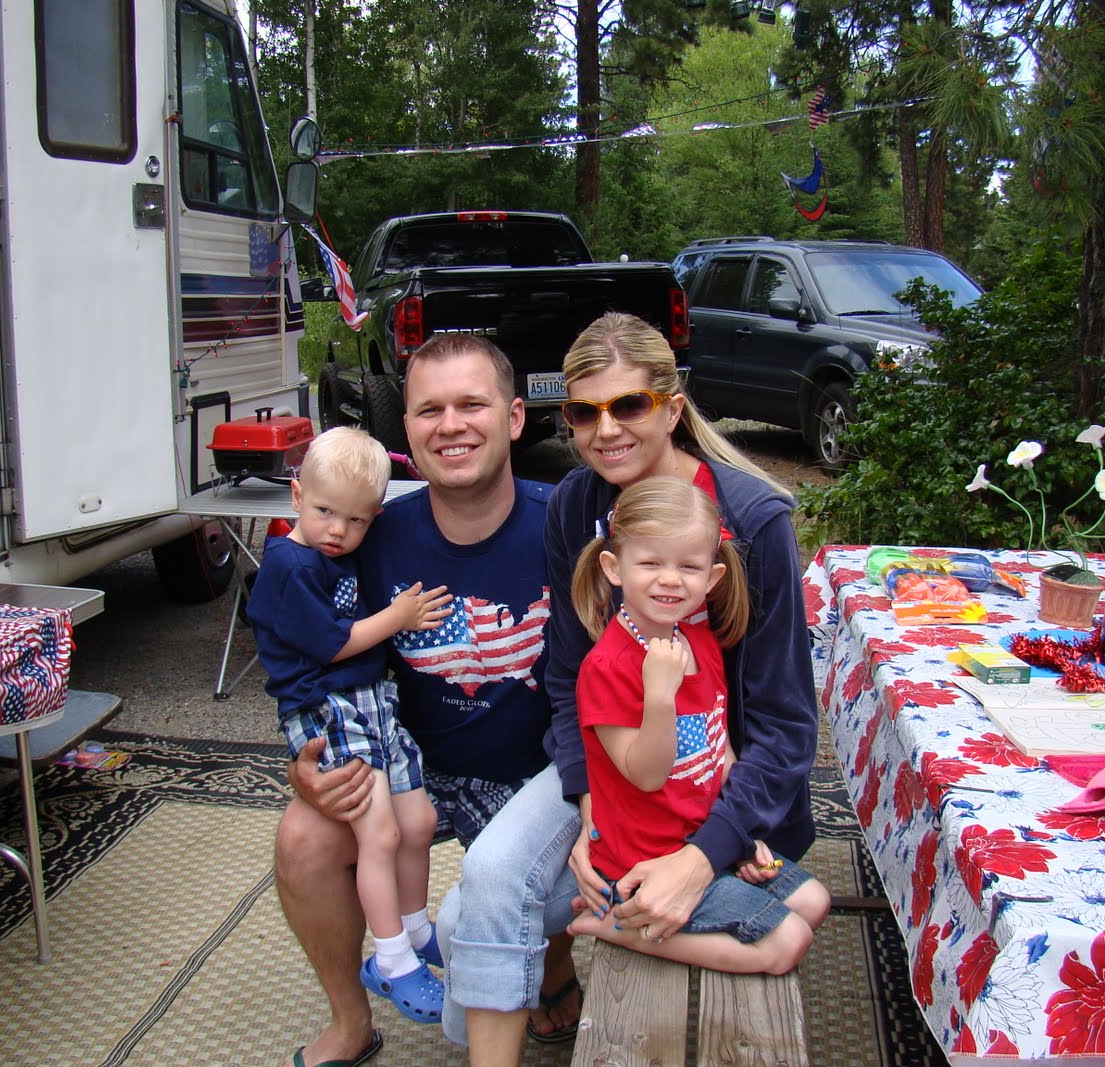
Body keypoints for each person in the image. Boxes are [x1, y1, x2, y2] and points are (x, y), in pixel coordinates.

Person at [442, 311, 822, 1067]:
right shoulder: (577, 506)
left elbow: (784, 729)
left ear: (672, 408)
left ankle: (593, 944)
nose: (605, 429)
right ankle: (543, 994)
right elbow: (564, 674)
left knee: (466, 920)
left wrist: (703, 856)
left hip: (724, 792)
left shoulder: (751, 522)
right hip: (615, 764)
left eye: (628, 405)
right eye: (584, 412)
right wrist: (587, 804)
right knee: (475, 899)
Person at [272, 336, 580, 1067]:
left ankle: (555, 970)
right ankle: (352, 1019)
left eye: (472, 404)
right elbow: (307, 652)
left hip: (534, 770)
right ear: (404, 428)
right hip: (412, 766)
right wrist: (305, 763)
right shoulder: (364, 537)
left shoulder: (563, 526)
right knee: (303, 838)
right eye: (430, 410)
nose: (451, 425)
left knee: (565, 843)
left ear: (514, 417)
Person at [564, 476, 829, 972]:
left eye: (688, 566)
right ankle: (619, 926)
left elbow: (718, 750)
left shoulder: (698, 641)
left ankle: (666, 911)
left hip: (700, 841)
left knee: (814, 902)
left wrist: (739, 839)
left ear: (711, 578)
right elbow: (646, 775)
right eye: (651, 563)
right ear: (614, 567)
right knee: (787, 943)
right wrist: (659, 697)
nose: (670, 579)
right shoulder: (608, 668)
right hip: (642, 861)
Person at [247, 427, 454, 1027]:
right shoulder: (288, 565)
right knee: (379, 833)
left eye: (357, 520)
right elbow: (333, 645)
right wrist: (399, 616)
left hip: (371, 700)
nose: (339, 530)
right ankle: (390, 959)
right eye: (325, 512)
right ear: (296, 497)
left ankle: (414, 928)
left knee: (418, 820)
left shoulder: (336, 552)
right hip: (325, 705)